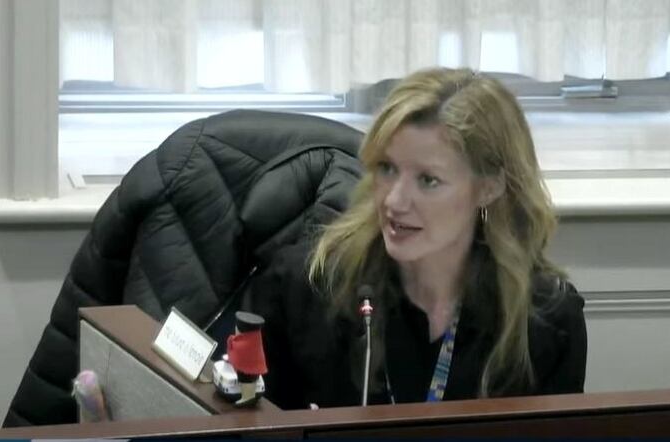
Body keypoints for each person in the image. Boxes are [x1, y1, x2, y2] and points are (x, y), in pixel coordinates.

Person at [247, 67, 587, 409]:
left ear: (489, 187)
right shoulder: (305, 286)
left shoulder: (546, 320)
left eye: (428, 180)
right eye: (387, 169)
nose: (394, 201)